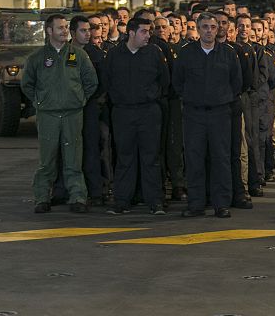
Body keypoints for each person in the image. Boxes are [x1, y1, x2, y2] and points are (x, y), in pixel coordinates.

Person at [21, 14, 98, 213]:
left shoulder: (79, 55)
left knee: (74, 158)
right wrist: (41, 102)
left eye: (66, 27)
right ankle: (41, 198)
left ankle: (78, 197)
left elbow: (91, 82)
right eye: (60, 28)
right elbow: (27, 84)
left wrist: (79, 100)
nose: (65, 31)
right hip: (48, 115)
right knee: (47, 160)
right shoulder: (37, 58)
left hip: (73, 114)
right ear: (49, 31)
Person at [173, 12, 242, 218]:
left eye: (213, 27)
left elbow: (237, 82)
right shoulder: (186, 54)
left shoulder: (228, 54)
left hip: (221, 113)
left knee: (221, 159)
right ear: (197, 28)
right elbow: (178, 82)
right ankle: (196, 204)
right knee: (194, 159)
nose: (209, 31)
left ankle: (221, 204)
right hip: (194, 114)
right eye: (205, 27)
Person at [102, 17, 170, 215]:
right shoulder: (115, 55)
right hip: (123, 112)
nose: (148, 35)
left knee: (151, 157)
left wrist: (152, 97)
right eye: (144, 31)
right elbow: (107, 81)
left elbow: (164, 80)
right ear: (131, 33)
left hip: (149, 111)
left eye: (149, 31)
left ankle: (155, 201)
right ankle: (122, 201)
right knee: (125, 157)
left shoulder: (154, 53)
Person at [70, 15, 108, 206]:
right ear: (72, 33)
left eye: (88, 30)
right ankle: (67, 189)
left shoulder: (96, 53)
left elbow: (103, 83)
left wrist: (96, 103)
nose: (88, 34)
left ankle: (95, 191)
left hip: (90, 108)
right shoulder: (66, 52)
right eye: (83, 31)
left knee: (92, 149)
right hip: (69, 109)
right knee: (69, 150)